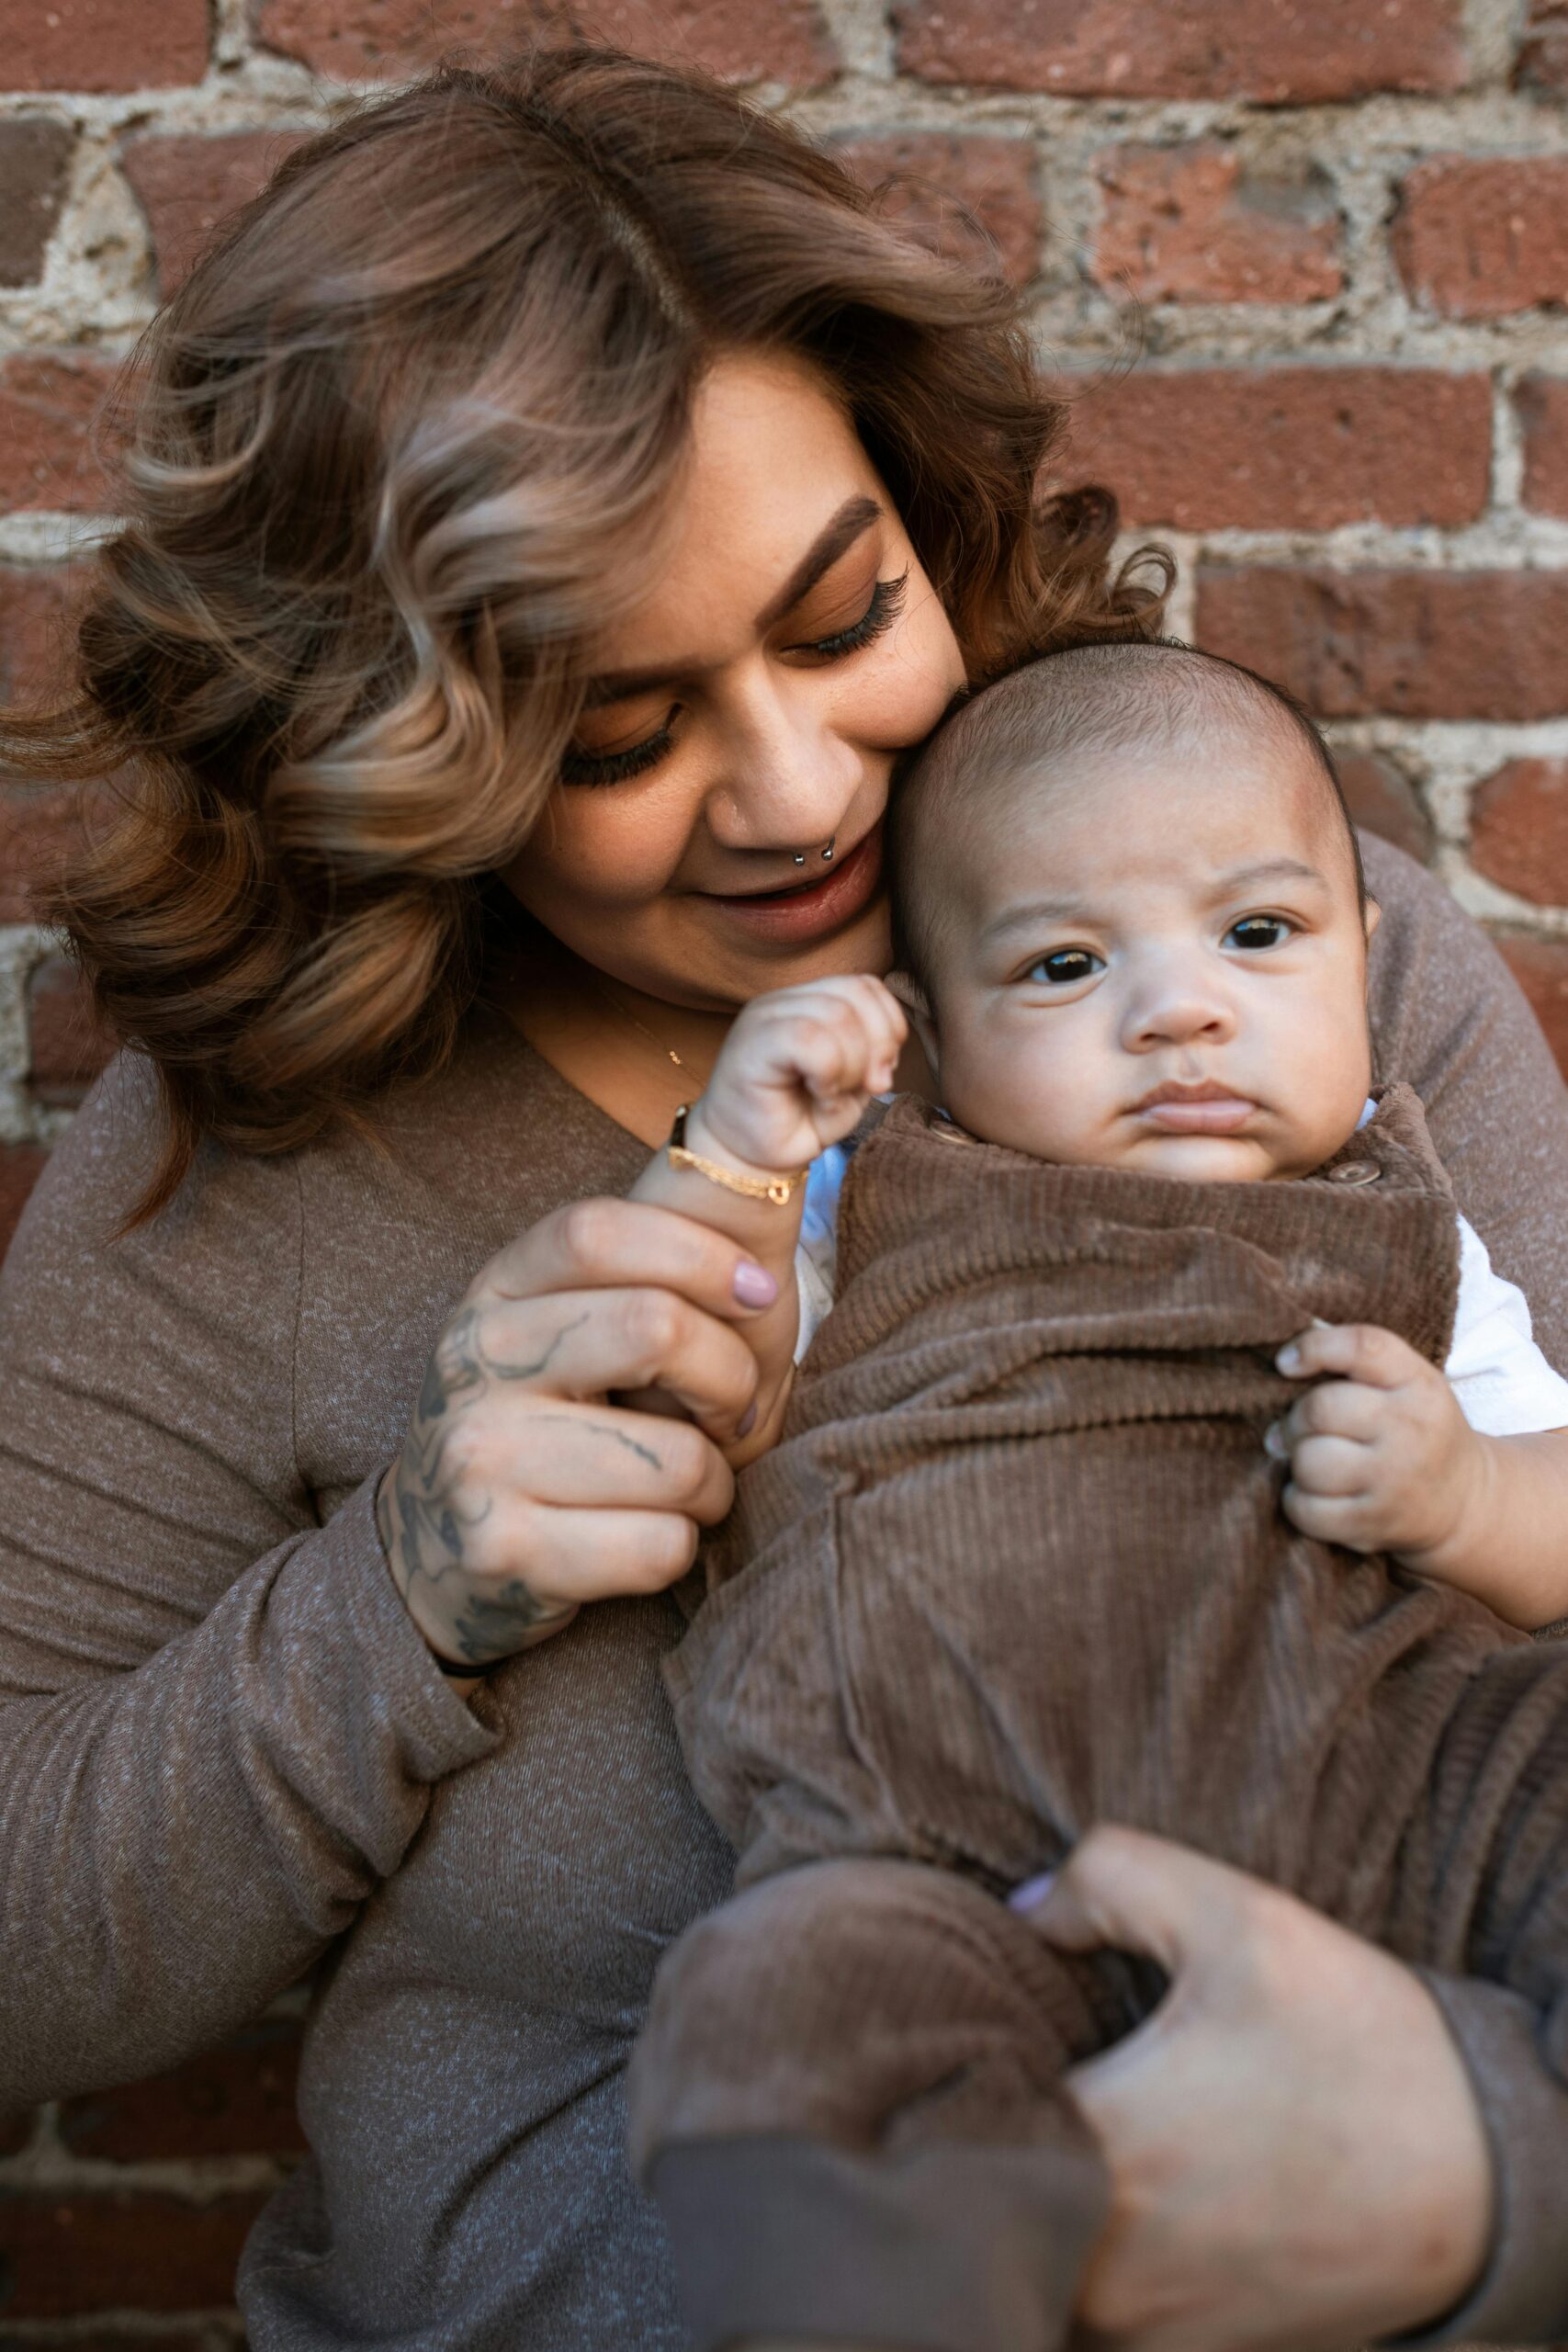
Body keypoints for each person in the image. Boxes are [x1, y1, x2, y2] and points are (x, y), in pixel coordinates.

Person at [0, 44, 1563, 2352]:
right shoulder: (250, 1171)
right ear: (404, 742)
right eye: (615, 735)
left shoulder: (1266, 987)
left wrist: (1490, 2170)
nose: (798, 787)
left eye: (839, 620)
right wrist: (406, 1588)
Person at [616, 641, 1568, 2350]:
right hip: (941, 1857)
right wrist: (741, 1156)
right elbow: (683, 1364)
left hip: (1408, 1795)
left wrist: (1467, 1489)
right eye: (1063, 964)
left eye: (1260, 936)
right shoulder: (869, 1207)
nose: (1182, 1007)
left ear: (1369, 960)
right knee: (772, 2013)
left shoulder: (1420, 1238)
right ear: (931, 1039)